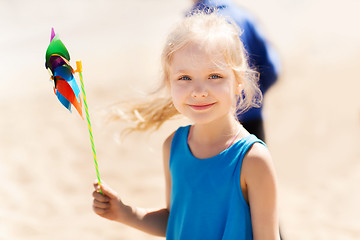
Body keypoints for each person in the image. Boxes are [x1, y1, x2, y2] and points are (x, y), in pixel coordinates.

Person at [92, 12, 279, 239]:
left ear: (238, 82)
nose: (199, 91)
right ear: (169, 83)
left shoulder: (252, 159)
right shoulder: (173, 146)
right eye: (185, 78)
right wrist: (124, 213)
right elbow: (176, 221)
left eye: (214, 76)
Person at [187, 0, 281, 142]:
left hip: (208, 118)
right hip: (251, 114)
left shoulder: (190, 24)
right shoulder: (243, 16)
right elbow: (271, 67)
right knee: (254, 157)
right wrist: (253, 94)